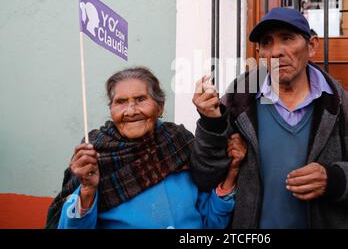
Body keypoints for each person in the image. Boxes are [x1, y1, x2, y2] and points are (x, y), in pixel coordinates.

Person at [191, 7, 348, 229]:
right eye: (267, 43)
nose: (276, 51)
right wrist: (211, 123)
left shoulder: (345, 107)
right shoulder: (239, 101)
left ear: (312, 45)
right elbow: (205, 176)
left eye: (287, 38)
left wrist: (333, 179)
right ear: (260, 53)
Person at [46, 67, 247, 229]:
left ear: (159, 107)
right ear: (111, 109)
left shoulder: (178, 144)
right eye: (121, 102)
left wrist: (231, 175)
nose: (131, 111)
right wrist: (88, 189)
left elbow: (210, 223)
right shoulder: (94, 155)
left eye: (141, 99)